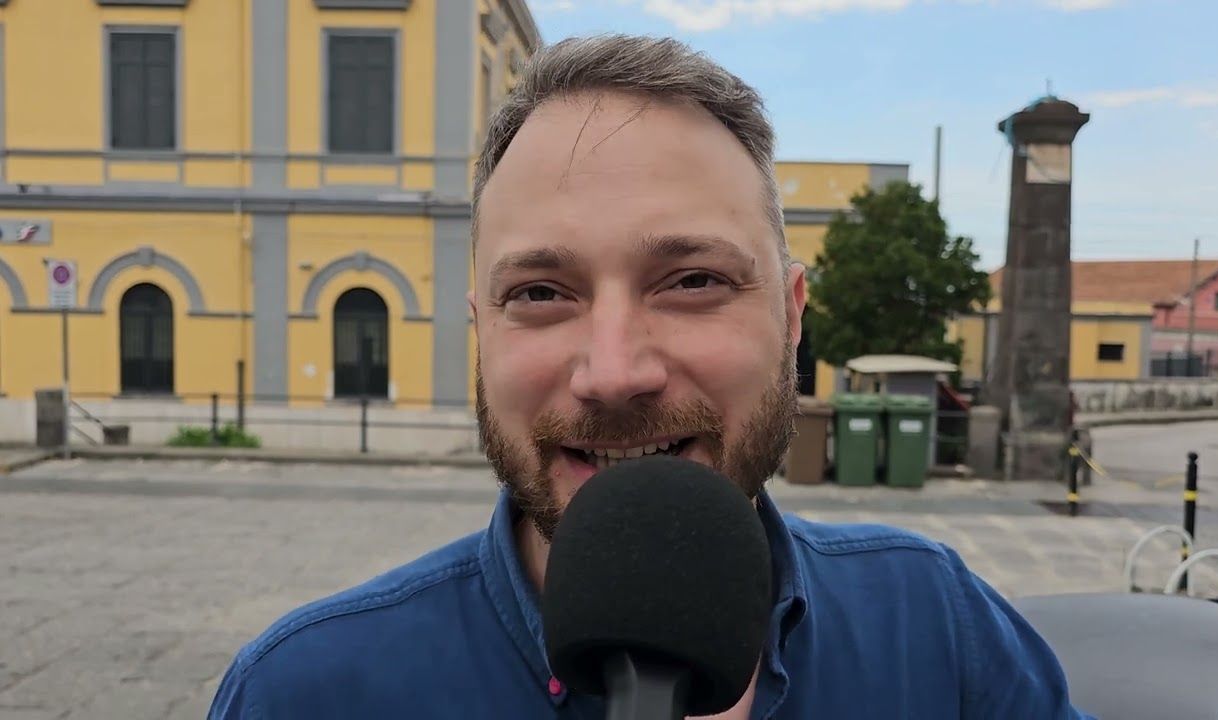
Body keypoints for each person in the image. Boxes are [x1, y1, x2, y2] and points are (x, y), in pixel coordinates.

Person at [208, 33, 1094, 719]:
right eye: (542, 291)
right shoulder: (307, 693)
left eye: (694, 281)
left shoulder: (937, 632)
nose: (614, 372)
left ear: (793, 318)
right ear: (481, 335)